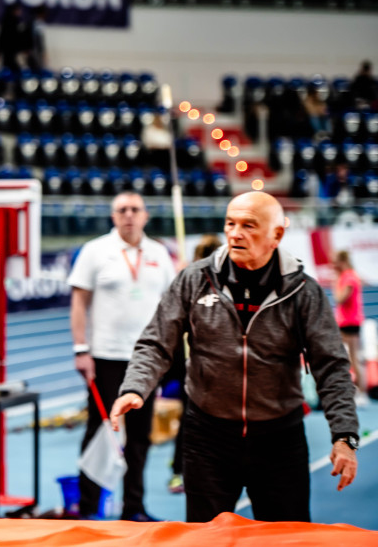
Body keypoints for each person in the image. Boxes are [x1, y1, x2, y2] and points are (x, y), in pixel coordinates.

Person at [110, 191, 360, 523]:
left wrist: (343, 435)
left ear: (277, 235)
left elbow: (331, 366)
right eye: (230, 223)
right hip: (207, 438)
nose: (235, 233)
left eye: (248, 225)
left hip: (279, 440)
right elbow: (156, 342)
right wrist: (135, 388)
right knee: (207, 539)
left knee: (286, 541)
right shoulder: (195, 280)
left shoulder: (303, 292)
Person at [67, 191, 176, 521]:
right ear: (114, 217)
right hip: (105, 357)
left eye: (135, 209)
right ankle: (88, 507)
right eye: (122, 210)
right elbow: (78, 303)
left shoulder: (159, 253)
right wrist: (80, 349)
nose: (129, 215)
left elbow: (171, 306)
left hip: (147, 360)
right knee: (98, 430)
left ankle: (134, 507)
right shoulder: (95, 251)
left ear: (145, 216)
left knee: (141, 436)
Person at [166, 232, 223, 495]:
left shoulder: (224, 283)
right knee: (192, 416)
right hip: (188, 361)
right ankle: (180, 471)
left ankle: (199, 470)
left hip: (215, 364)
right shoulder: (187, 280)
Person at [332, 250, 369, 404]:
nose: (333, 265)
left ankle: (362, 393)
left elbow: (339, 298)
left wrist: (335, 281)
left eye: (335, 262)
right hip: (346, 322)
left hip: (350, 323)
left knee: (353, 358)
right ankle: (354, 390)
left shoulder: (348, 277)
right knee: (347, 357)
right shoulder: (349, 275)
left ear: (342, 261)